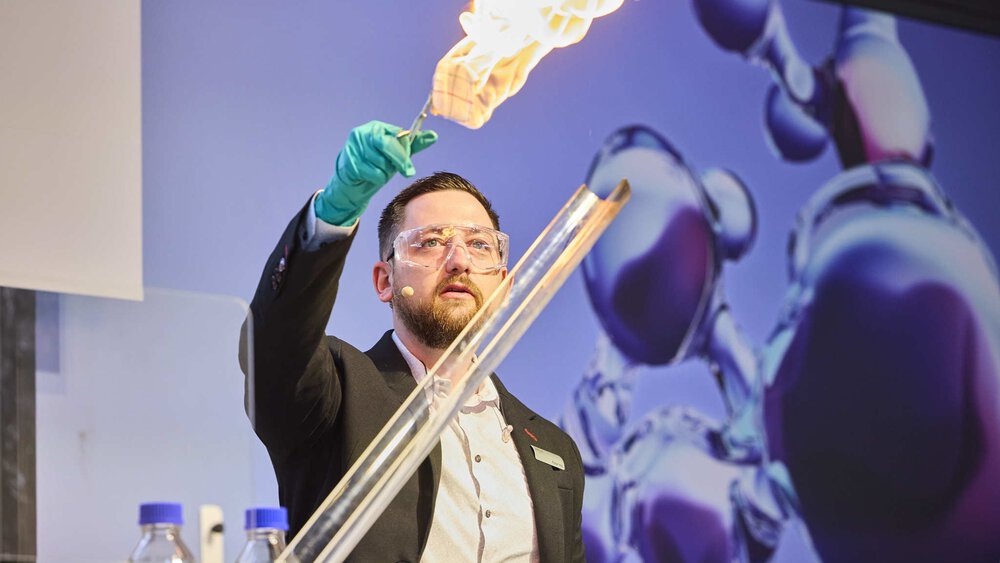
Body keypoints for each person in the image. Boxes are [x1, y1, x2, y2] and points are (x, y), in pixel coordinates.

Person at [240, 120, 585, 562]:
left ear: (504, 286)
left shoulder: (554, 449)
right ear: (385, 281)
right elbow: (276, 342)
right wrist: (332, 216)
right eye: (430, 242)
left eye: (479, 245)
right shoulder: (335, 397)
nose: (458, 260)